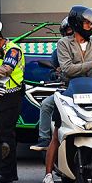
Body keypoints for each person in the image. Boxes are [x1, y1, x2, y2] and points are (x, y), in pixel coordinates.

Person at [42, 6, 92, 183]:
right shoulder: (63, 44)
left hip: (91, 91)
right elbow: (67, 69)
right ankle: (48, 175)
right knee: (56, 133)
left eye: (91, 23)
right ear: (77, 24)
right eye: (86, 23)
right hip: (69, 92)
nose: (90, 26)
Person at [0, 22, 25, 183]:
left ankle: (7, 173)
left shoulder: (13, 50)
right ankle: (4, 170)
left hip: (11, 96)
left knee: (5, 133)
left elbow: (7, 68)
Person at [30, 18, 71, 152]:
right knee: (46, 104)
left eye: (73, 32)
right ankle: (44, 139)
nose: (70, 35)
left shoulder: (90, 46)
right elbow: (53, 71)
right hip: (68, 90)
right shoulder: (58, 50)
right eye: (68, 33)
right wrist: (57, 74)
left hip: (87, 91)